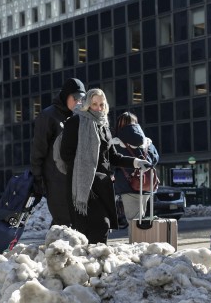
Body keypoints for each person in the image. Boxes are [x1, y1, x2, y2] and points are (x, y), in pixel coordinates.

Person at [59, 88, 150, 244]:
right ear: (87, 104)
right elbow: (65, 154)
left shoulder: (104, 126)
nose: (99, 108)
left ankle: (94, 263)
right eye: (94, 104)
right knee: (97, 226)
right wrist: (86, 171)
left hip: (102, 185)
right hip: (84, 185)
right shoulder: (76, 122)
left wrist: (136, 162)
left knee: (101, 228)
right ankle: (89, 264)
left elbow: (113, 157)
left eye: (102, 104)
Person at [30, 78, 86, 227]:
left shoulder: (81, 117)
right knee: (63, 219)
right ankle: (57, 247)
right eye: (75, 98)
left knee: (76, 219)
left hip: (77, 177)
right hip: (56, 178)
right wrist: (37, 176)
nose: (78, 102)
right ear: (66, 95)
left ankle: (58, 247)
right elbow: (38, 148)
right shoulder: (49, 115)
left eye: (82, 99)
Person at [113, 112, 160, 225]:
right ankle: (142, 241)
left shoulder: (116, 142)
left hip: (127, 186)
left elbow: (113, 161)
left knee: (134, 222)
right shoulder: (147, 141)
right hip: (147, 184)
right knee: (141, 218)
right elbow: (154, 159)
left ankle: (137, 242)